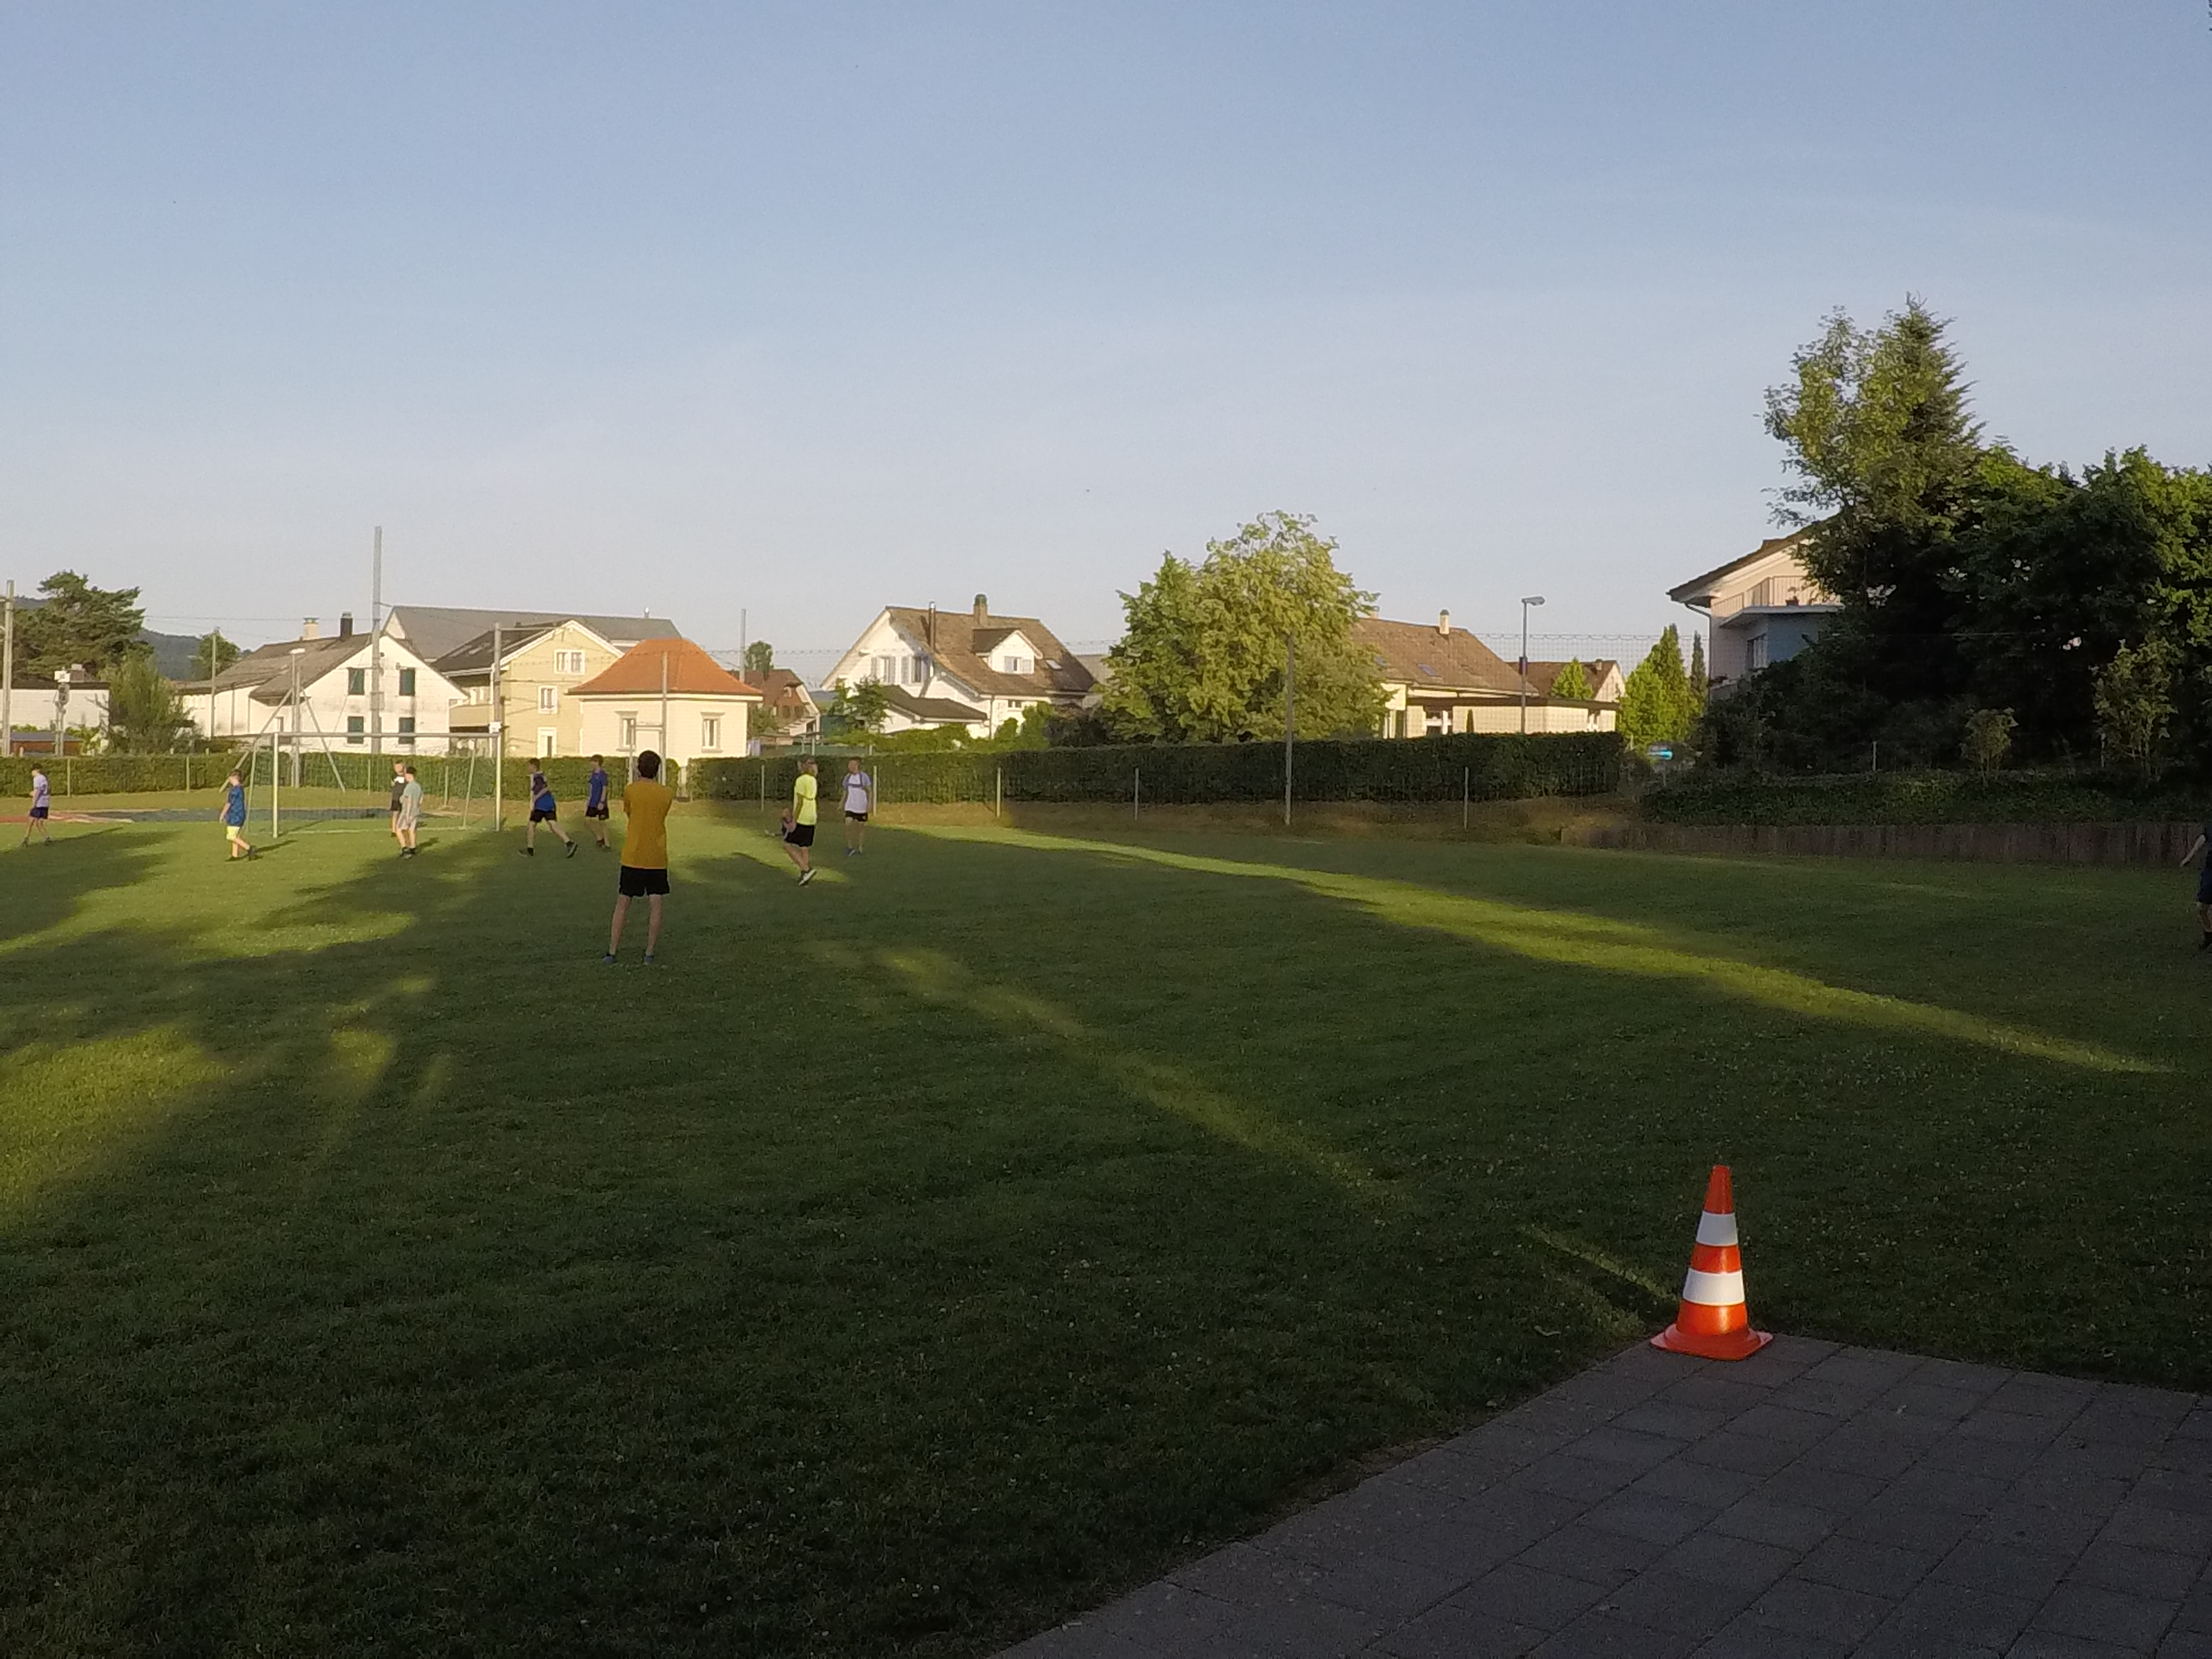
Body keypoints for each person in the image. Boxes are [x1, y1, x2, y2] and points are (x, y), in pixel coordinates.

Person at [607, 749, 673, 964]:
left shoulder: (631, 790)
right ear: (658, 770)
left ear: (638, 769)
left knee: (623, 903)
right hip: (657, 856)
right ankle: (649, 953)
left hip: (633, 855)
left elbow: (630, 812)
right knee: (656, 904)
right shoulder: (667, 793)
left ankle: (612, 951)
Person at [521, 761, 577, 857]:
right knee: (553, 824)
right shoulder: (540, 776)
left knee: (531, 825)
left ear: (534, 766)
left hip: (542, 805)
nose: (528, 768)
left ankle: (530, 849)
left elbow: (545, 788)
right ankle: (569, 843)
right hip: (549, 804)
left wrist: (536, 798)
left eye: (529, 766)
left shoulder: (538, 777)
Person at [784, 757, 818, 884]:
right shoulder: (813, 779)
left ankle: (806, 869)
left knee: (787, 844)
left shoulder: (801, 780)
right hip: (811, 816)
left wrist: (794, 820)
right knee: (804, 847)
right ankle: (805, 876)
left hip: (802, 817)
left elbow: (800, 802)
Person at [2181, 822, 2212, 950]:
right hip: (2210, 871)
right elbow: (2202, 839)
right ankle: (2209, 935)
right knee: (2201, 907)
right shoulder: (2210, 827)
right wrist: (2189, 857)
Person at [220, 769, 255, 860]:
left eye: (230, 779)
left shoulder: (235, 790)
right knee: (235, 835)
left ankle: (249, 848)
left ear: (235, 778)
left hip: (236, 815)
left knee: (231, 836)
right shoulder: (240, 789)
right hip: (239, 814)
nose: (230, 781)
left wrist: (223, 814)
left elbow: (229, 803)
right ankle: (235, 855)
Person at [842, 757, 873, 856]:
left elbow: (870, 791)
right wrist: (842, 803)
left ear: (857, 765)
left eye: (852, 764)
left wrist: (870, 803)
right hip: (850, 806)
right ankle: (850, 847)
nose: (849, 767)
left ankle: (860, 847)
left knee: (861, 827)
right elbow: (845, 791)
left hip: (861, 807)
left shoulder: (864, 777)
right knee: (848, 824)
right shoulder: (847, 777)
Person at [583, 754, 613, 849]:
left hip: (600, 802)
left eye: (593, 761)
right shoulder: (593, 774)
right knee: (587, 821)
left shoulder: (602, 775)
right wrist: (589, 799)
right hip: (593, 802)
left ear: (597, 762)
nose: (591, 763)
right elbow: (591, 787)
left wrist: (602, 802)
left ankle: (607, 844)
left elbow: (604, 789)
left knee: (602, 823)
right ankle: (599, 838)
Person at [396, 764, 424, 857]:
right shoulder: (418, 786)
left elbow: (409, 801)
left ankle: (405, 849)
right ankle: (413, 848)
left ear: (409, 775)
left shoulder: (409, 787)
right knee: (412, 830)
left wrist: (408, 815)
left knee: (399, 829)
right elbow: (421, 799)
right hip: (416, 812)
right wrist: (417, 807)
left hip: (407, 812)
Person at [23, 763, 52, 846]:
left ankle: (26, 839)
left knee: (30, 821)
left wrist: (34, 803)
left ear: (34, 770)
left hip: (39, 803)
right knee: (39, 823)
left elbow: (38, 791)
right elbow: (46, 790)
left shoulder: (37, 779)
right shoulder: (44, 778)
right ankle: (47, 838)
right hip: (45, 803)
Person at [388, 760, 408, 848]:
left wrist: (406, 773)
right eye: (396, 767)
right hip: (396, 797)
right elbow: (395, 783)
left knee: (404, 813)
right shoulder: (394, 776)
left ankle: (404, 827)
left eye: (400, 767)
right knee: (395, 813)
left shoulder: (406, 776)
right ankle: (394, 830)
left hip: (404, 798)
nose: (398, 769)